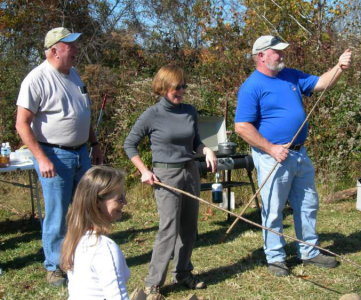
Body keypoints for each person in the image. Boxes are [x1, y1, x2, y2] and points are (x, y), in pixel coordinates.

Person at [234, 35, 352, 277]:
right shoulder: (252, 86)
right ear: (261, 56)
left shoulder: (291, 75)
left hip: (300, 154)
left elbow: (322, 84)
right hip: (273, 157)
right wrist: (271, 148)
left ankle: (308, 252)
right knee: (274, 209)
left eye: (281, 50)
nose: (281, 55)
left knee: (307, 204)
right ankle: (275, 257)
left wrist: (339, 66)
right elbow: (242, 126)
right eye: (276, 51)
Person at [15, 27, 103, 286]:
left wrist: (95, 144)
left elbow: (83, 114)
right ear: (54, 50)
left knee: (86, 208)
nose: (76, 50)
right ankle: (54, 267)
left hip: (81, 154)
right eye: (70, 46)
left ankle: (83, 258)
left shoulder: (74, 75)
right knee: (56, 213)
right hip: (54, 154)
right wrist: (41, 158)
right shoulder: (37, 79)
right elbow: (22, 124)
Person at [124, 64, 217, 298]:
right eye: (178, 87)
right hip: (166, 176)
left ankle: (183, 272)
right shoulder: (151, 115)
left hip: (190, 172)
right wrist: (144, 171)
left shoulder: (189, 111)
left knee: (189, 228)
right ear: (164, 86)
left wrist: (206, 151)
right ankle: (153, 283)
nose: (182, 91)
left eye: (184, 86)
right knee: (169, 229)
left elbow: (196, 141)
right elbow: (129, 144)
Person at [60, 166, 131, 299]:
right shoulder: (103, 247)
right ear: (97, 202)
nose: (125, 202)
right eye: (120, 198)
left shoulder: (76, 239)